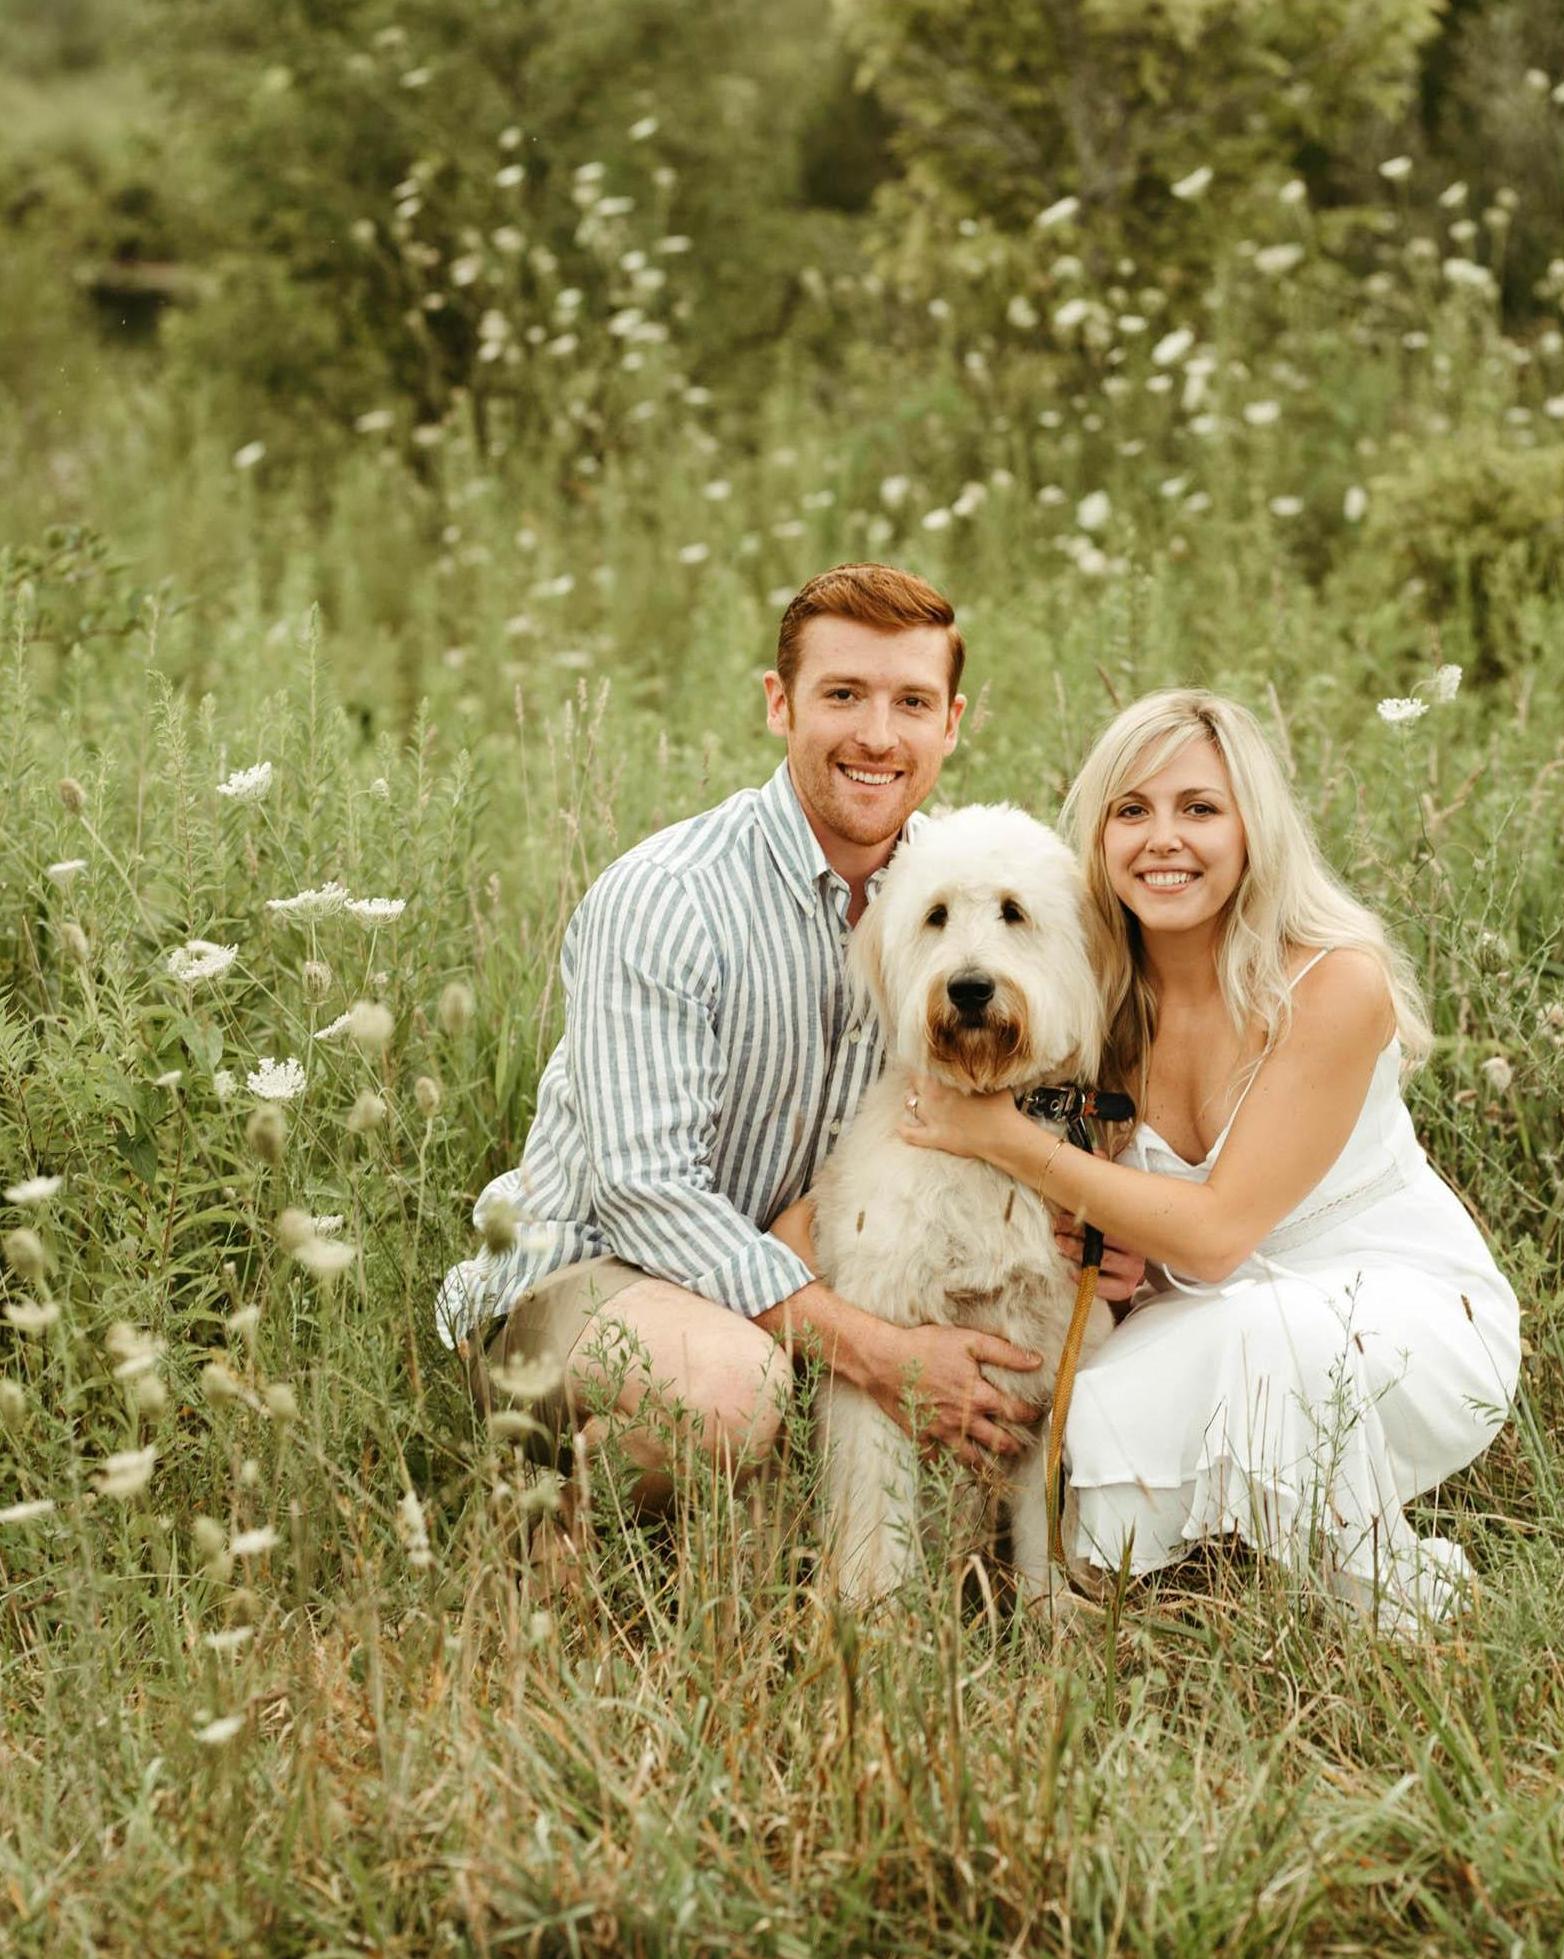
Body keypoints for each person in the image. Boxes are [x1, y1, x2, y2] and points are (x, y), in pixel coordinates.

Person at [436, 563, 1127, 1518]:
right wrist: (882, 1354)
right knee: (729, 1389)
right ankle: (547, 1535)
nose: (878, 736)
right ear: (779, 703)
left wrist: (1091, 1228)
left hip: (792, 1264)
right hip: (591, 1275)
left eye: (911, 702)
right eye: (843, 694)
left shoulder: (955, 883)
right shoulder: (669, 897)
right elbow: (647, 1194)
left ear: (951, 723)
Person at [897, 689, 1521, 1632]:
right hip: (1203, 1316)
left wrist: (1003, 1139)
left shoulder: (1329, 981)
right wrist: (1122, 1263)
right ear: (1099, 837)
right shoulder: (1096, 1003)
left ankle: (1398, 1609)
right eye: (1131, 810)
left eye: (1198, 808)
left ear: (1251, 828)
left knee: (1277, 1343)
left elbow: (1222, 1231)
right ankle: (1221, 1577)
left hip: (1389, 1312)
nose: (1163, 839)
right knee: (1084, 1446)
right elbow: (1135, 1224)